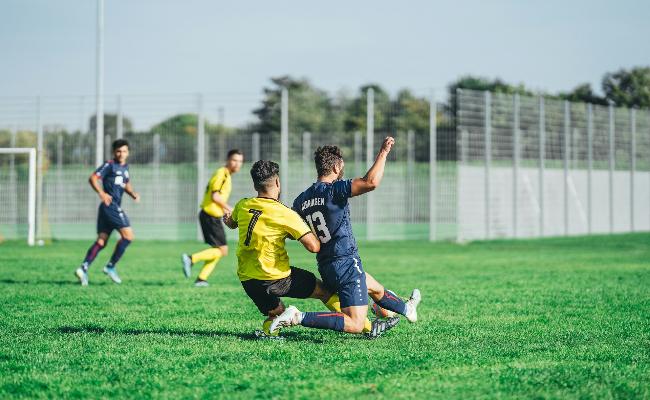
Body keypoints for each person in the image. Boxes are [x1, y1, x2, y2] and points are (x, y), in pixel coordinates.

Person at [223, 160, 389, 338]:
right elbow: (314, 246)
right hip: (277, 277)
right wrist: (301, 231)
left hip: (248, 279)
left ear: (255, 184)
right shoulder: (285, 213)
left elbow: (231, 223)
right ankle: (366, 326)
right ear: (277, 183)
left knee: (277, 313)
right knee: (323, 291)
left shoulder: (243, 205)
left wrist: (228, 219)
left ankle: (270, 330)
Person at [271, 137, 421, 334]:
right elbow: (371, 182)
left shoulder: (302, 199)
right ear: (336, 167)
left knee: (375, 288)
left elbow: (292, 230)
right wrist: (383, 152)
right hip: (346, 263)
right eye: (342, 166)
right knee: (356, 323)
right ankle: (298, 317)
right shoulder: (334, 189)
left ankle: (406, 308)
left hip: (326, 266)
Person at [74, 139, 140, 286]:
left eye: (124, 151)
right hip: (111, 206)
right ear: (113, 152)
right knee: (128, 236)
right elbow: (93, 178)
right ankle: (110, 266)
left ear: (128, 152)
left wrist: (132, 194)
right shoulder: (109, 165)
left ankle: (83, 268)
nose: (121, 154)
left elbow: (126, 183)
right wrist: (102, 193)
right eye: (118, 151)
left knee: (101, 241)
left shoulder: (125, 168)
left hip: (107, 209)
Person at [181, 149, 243, 287]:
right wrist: (230, 209)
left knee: (218, 250)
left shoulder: (227, 175)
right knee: (222, 250)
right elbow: (215, 197)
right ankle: (190, 259)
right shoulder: (222, 173)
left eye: (240, 161)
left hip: (212, 215)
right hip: (210, 215)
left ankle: (201, 279)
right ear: (228, 160)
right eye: (234, 160)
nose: (237, 164)